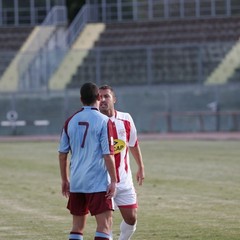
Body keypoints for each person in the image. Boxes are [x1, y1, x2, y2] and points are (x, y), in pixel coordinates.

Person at [58, 82, 117, 240]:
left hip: (77, 181)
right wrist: (114, 181)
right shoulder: (104, 121)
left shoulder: (70, 121)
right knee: (105, 225)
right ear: (98, 97)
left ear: (81, 99)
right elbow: (108, 154)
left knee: (77, 227)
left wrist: (65, 180)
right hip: (97, 182)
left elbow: (62, 154)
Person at [99, 85, 145, 240]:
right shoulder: (96, 122)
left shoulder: (126, 119)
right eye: (99, 97)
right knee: (107, 222)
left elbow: (133, 144)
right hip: (103, 182)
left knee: (131, 219)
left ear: (114, 99)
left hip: (124, 181)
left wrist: (141, 166)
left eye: (106, 96)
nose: (103, 100)